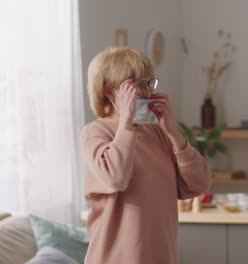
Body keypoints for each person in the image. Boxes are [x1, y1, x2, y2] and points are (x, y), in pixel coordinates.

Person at [80, 47, 211, 263]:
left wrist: (173, 133)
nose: (147, 93)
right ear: (107, 90)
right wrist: (126, 122)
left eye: (149, 83)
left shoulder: (158, 134)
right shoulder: (95, 132)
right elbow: (116, 177)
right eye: (136, 85)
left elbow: (199, 184)